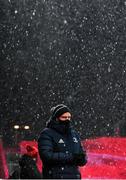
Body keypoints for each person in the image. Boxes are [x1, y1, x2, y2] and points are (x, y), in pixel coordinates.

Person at [38, 104, 87, 179]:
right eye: (64, 117)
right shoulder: (47, 133)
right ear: (56, 118)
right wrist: (71, 157)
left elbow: (81, 154)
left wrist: (82, 159)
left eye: (69, 117)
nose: (67, 120)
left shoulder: (74, 134)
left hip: (74, 176)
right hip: (55, 176)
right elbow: (47, 156)